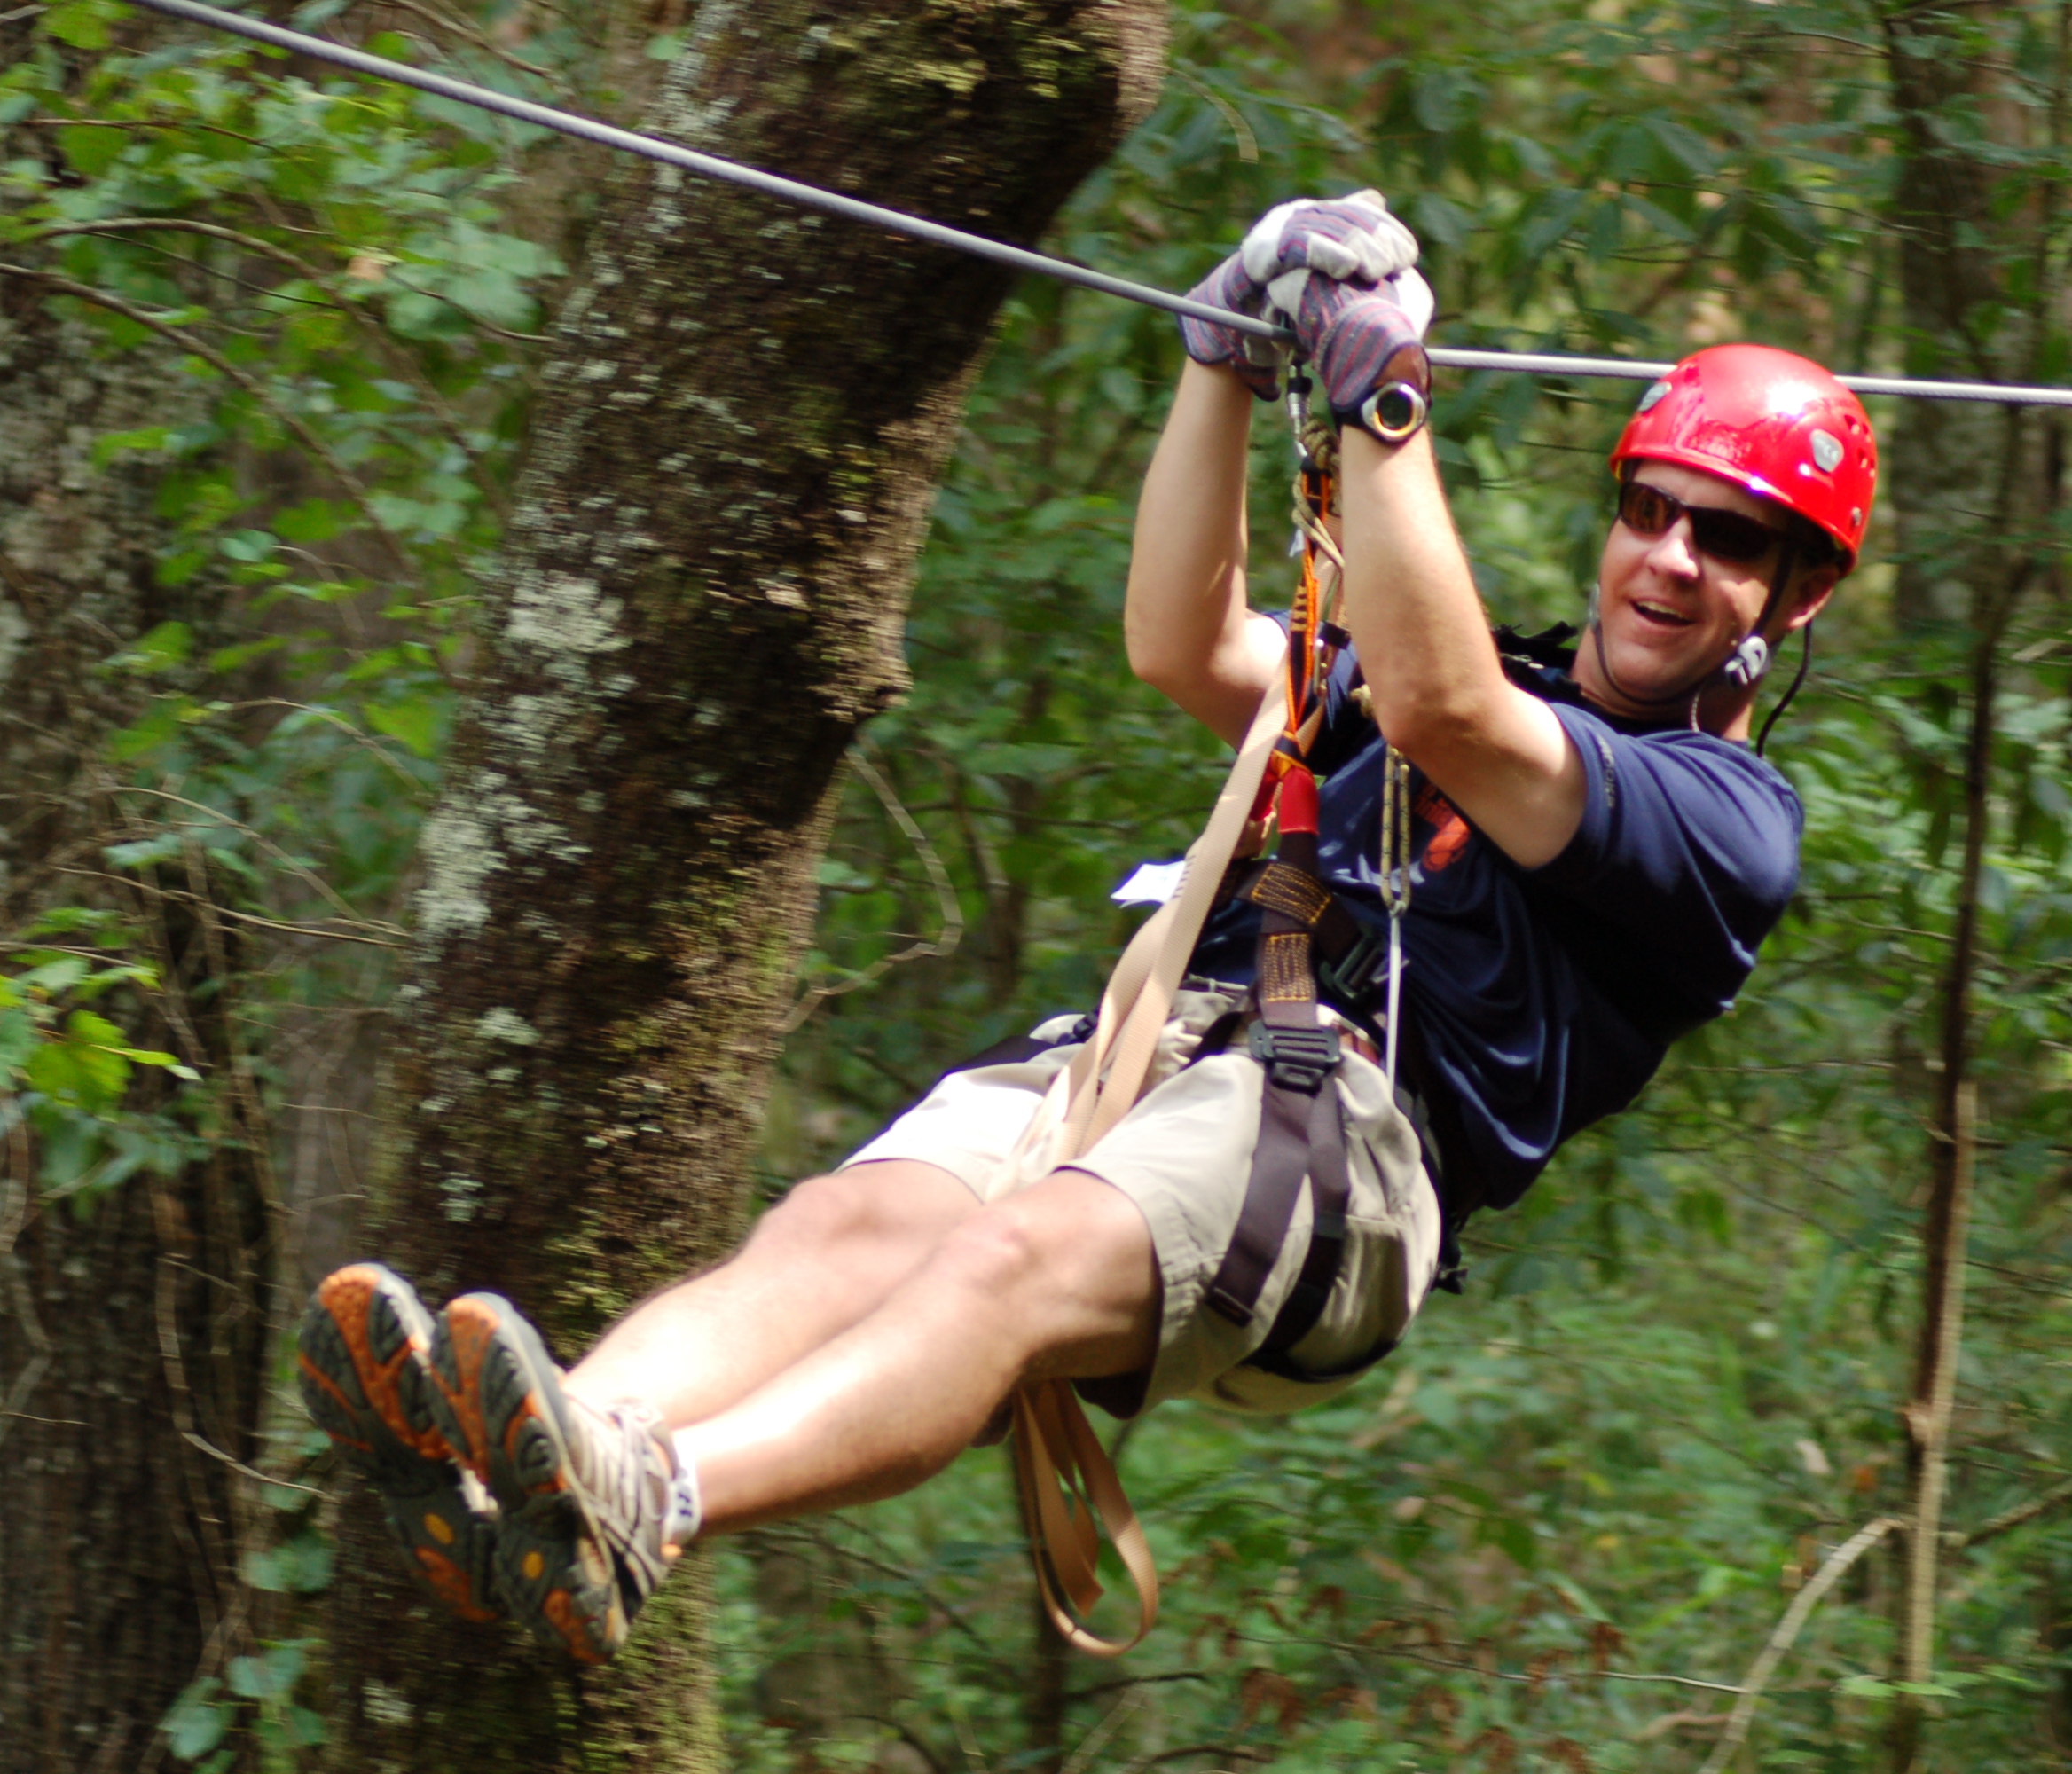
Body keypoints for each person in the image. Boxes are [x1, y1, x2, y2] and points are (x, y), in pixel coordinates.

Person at [297, 192, 1876, 1665]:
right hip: (1160, 1051)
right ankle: (543, 1458)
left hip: (1356, 1155)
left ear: (1795, 598)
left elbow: (1447, 707)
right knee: (841, 1230)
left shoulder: (1721, 827)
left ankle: (651, 1504)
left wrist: (1386, 399)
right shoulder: (1469, 682)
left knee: (1012, 1257)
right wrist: (1220, 366)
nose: (1671, 559)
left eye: (1728, 541)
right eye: (1650, 514)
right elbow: (1184, 644)